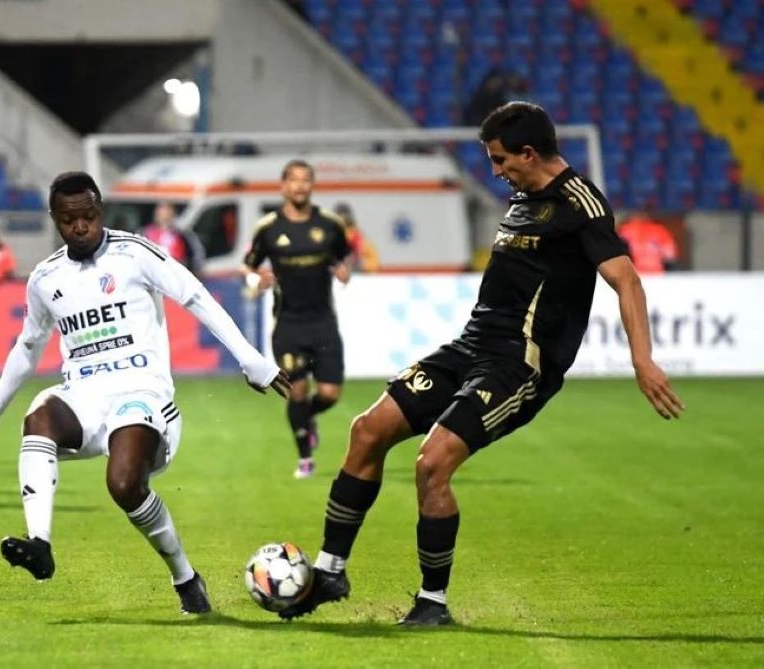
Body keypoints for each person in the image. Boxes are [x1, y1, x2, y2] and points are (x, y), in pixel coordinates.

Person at [279, 102, 685, 626]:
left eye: (500, 159)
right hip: (471, 346)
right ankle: (330, 571)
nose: (495, 171)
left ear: (529, 153)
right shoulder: (523, 196)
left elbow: (626, 279)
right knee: (367, 430)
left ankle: (432, 602)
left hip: (519, 364)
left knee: (431, 464)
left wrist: (642, 359)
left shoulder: (579, 202)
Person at [0, 172, 289, 614]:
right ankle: (40, 543)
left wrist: (250, 359)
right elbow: (28, 346)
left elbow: (194, 295)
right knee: (40, 413)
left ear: (100, 211)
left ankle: (185, 577)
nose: (81, 227)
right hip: (84, 397)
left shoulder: (134, 253)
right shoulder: (45, 278)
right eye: (69, 220)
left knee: (122, 484)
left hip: (143, 394)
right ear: (56, 221)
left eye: (89, 216)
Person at [242, 160, 351, 479]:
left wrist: (343, 270)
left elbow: (342, 257)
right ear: (284, 186)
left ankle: (307, 417)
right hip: (288, 324)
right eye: (294, 180)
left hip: (324, 322)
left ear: (312, 185)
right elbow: (248, 266)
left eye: (306, 180)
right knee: (298, 391)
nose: (300, 186)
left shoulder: (330, 224)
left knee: (329, 394)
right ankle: (305, 460)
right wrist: (256, 281)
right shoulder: (269, 228)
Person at [141, 200, 206, 275]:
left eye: (167, 209)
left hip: (177, 275)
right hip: (153, 276)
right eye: (161, 210)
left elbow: (197, 256)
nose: (163, 213)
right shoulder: (147, 233)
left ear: (173, 212)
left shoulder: (183, 235)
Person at [333, 202, 380, 273]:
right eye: (339, 216)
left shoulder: (357, 236)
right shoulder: (329, 235)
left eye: (345, 216)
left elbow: (374, 261)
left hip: (357, 274)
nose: (342, 219)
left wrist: (363, 267)